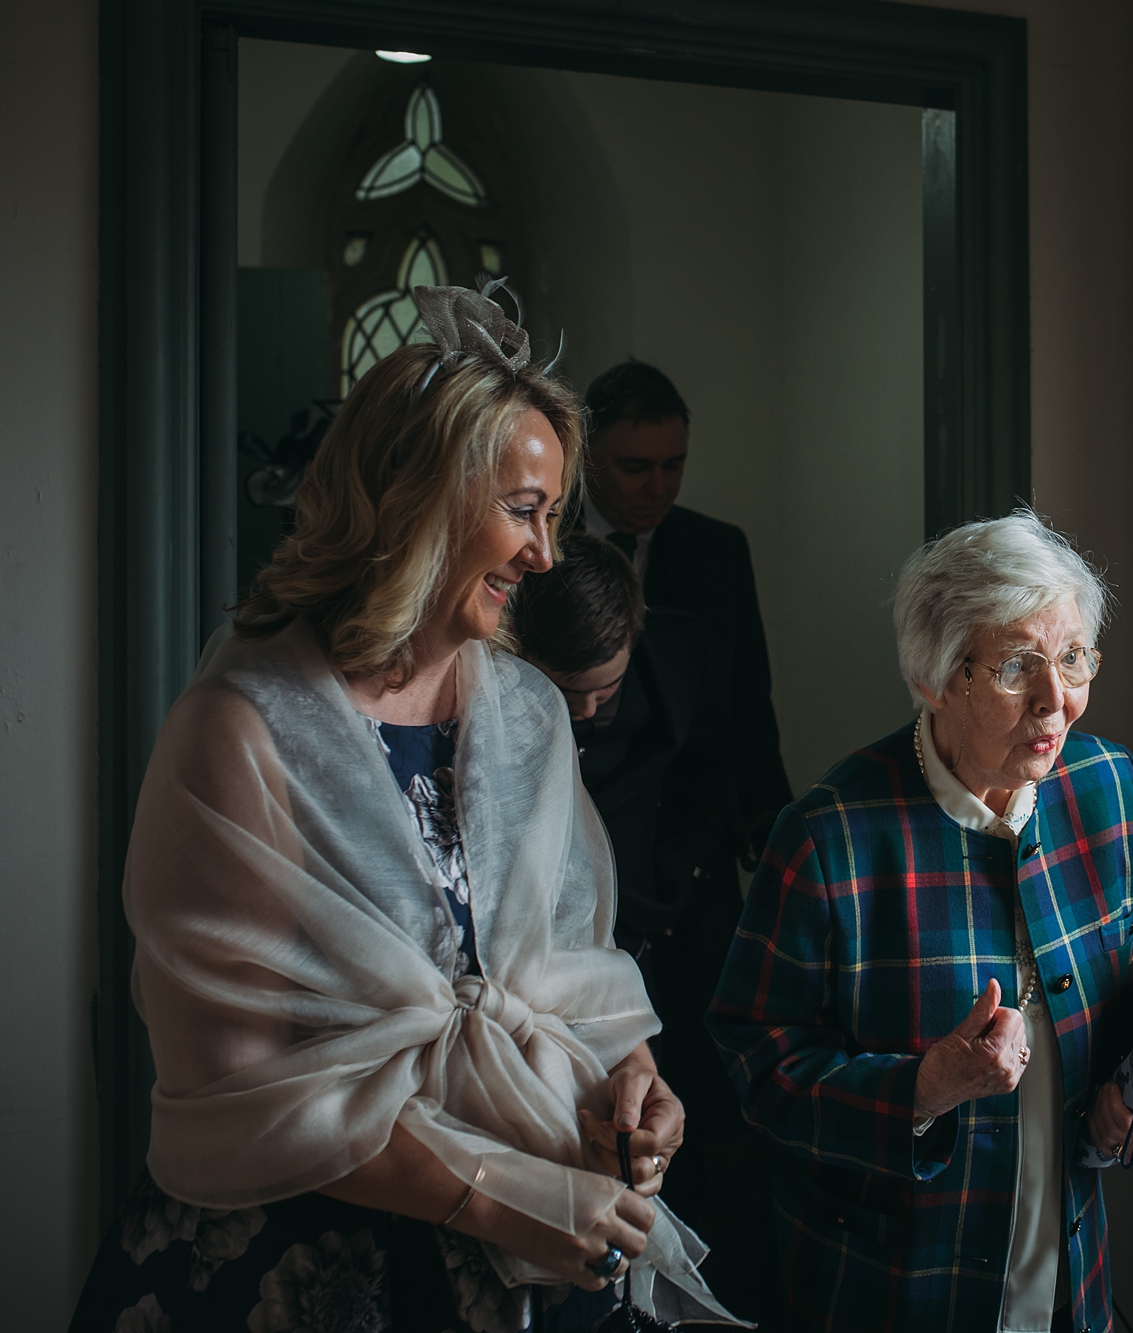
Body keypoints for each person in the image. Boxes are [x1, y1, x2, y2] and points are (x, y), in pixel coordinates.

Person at [68, 286, 739, 1333]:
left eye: (554, 516)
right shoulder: (240, 733)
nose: (546, 556)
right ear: (415, 500)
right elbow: (241, 1081)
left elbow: (576, 975)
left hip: (535, 1237)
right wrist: (490, 1195)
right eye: (523, 511)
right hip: (305, 1259)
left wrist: (635, 1087)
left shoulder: (524, 711)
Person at [707, 510, 1133, 1333]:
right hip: (893, 1293)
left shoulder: (1114, 792)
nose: (1058, 702)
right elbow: (756, 1067)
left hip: (1071, 1296)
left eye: (1074, 658)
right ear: (937, 678)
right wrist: (921, 1088)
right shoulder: (828, 838)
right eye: (1018, 666)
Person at [512, 533, 781, 1329]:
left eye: (608, 689)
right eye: (569, 694)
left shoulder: (684, 660)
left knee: (697, 1130)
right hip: (555, 954)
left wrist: (678, 883)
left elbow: (723, 767)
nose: (590, 711)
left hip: (678, 918)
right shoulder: (502, 706)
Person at [574, 360, 791, 884]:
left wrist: (771, 826)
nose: (658, 486)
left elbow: (747, 703)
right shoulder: (542, 548)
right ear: (587, 456)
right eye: (636, 468)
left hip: (698, 835)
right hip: (581, 826)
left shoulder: (717, 551)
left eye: (673, 465)